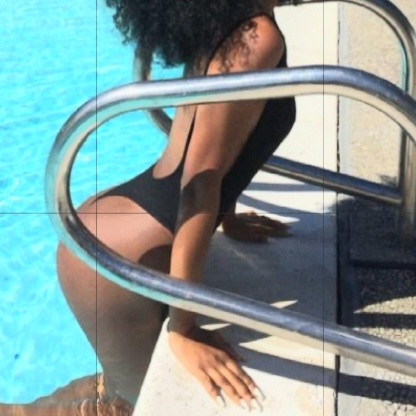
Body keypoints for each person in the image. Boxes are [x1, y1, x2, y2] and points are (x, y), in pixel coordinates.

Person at [0, 0, 296, 414]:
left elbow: (226, 141)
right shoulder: (256, 36)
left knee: (116, 395)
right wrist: (183, 327)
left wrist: (227, 217)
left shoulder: (232, 23)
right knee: (129, 405)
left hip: (118, 234)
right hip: (115, 263)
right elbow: (201, 180)